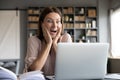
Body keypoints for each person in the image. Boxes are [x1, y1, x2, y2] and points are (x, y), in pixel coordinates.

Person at [24, 7, 72, 76]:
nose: (54, 25)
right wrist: (49, 44)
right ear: (42, 24)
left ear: (61, 25)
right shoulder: (33, 40)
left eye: (58, 22)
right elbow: (33, 71)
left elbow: (69, 68)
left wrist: (55, 44)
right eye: (49, 21)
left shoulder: (66, 38)